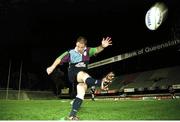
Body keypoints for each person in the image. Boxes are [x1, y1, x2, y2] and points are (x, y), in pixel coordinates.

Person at [46, 36, 115, 120]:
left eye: (81, 47)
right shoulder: (70, 52)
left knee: (81, 93)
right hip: (73, 74)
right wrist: (52, 67)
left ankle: (72, 115)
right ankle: (101, 83)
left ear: (85, 46)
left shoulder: (88, 51)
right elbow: (59, 59)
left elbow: (97, 49)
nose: (79, 48)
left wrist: (102, 46)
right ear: (76, 44)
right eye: (78, 46)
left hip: (83, 78)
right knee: (83, 74)